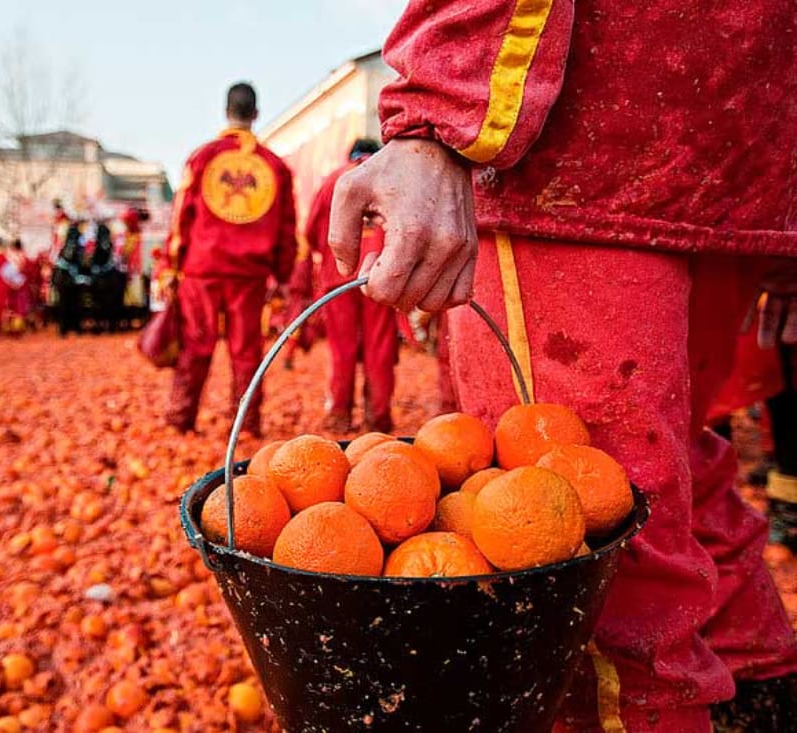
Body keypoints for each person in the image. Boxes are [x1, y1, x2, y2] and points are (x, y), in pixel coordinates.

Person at [327, 3, 796, 730]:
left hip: (589, 151)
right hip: (730, 147)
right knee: (676, 483)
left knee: (593, 580)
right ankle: (759, 695)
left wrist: (439, 116)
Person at [162, 82, 297, 436]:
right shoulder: (274, 167)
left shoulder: (203, 158)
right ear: (255, 114)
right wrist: (281, 275)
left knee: (196, 345)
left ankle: (181, 421)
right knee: (246, 352)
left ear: (226, 112)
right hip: (249, 276)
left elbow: (181, 219)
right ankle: (246, 428)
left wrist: (170, 267)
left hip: (201, 271)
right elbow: (287, 228)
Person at [305, 139, 398, 433]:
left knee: (340, 349)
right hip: (381, 273)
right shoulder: (390, 177)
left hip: (338, 279)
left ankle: (339, 418)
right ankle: (378, 419)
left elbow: (309, 232)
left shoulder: (334, 179)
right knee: (380, 348)